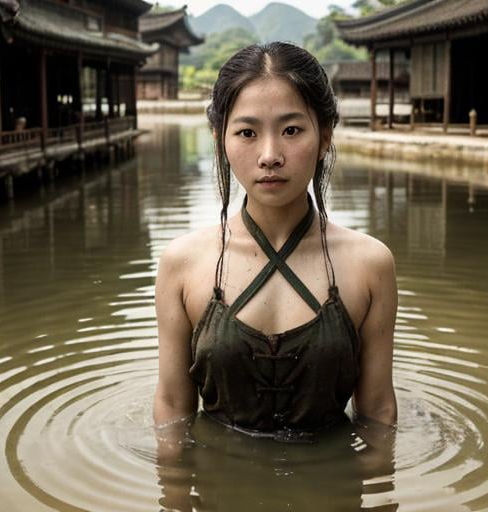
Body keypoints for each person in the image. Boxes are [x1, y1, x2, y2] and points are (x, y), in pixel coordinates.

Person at [154, 42, 398, 440]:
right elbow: (171, 410)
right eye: (247, 132)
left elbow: (378, 412)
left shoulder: (370, 264)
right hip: (220, 494)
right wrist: (176, 495)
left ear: (324, 137)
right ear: (220, 139)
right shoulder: (183, 263)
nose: (270, 155)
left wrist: (379, 493)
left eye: (291, 130)